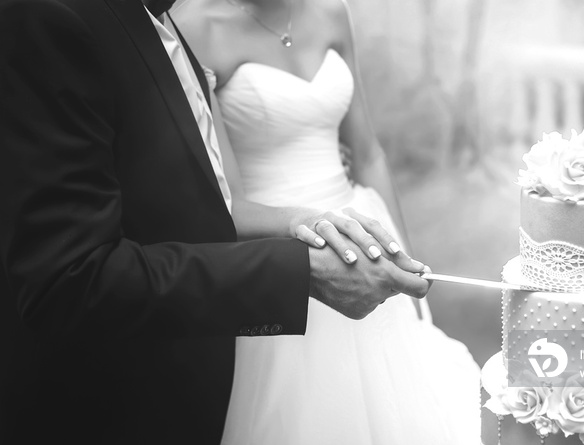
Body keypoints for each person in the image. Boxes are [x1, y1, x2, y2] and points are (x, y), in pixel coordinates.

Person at [0, 0, 432, 443]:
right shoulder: (57, 17)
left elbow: (192, 194)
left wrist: (324, 227)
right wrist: (299, 267)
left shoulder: (161, 21)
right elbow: (72, 279)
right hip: (109, 404)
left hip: (327, 242)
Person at [171, 0, 483, 443]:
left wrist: (406, 262)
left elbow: (368, 152)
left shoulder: (331, 10)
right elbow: (227, 204)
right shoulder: (194, 26)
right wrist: (317, 230)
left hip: (366, 231)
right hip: (283, 246)